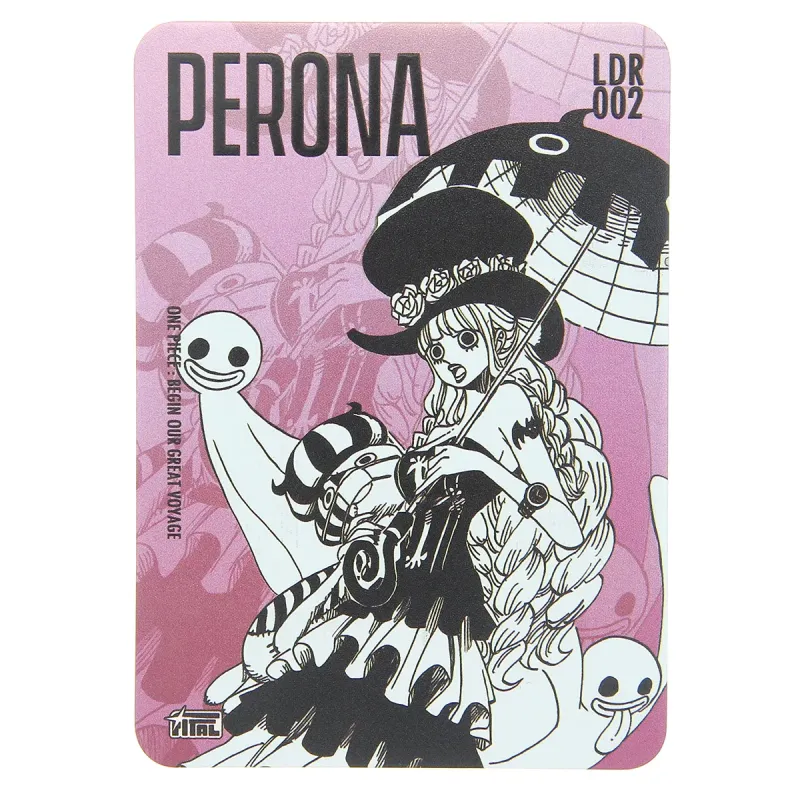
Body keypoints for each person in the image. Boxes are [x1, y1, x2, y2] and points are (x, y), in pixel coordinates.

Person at [183, 187, 613, 768]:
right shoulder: (450, 406)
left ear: (503, 333)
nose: (448, 358)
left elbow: (565, 528)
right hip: (393, 580)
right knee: (317, 718)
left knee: (392, 738)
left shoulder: (512, 404)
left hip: (445, 603)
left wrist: (484, 467)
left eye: (465, 339)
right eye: (434, 345)